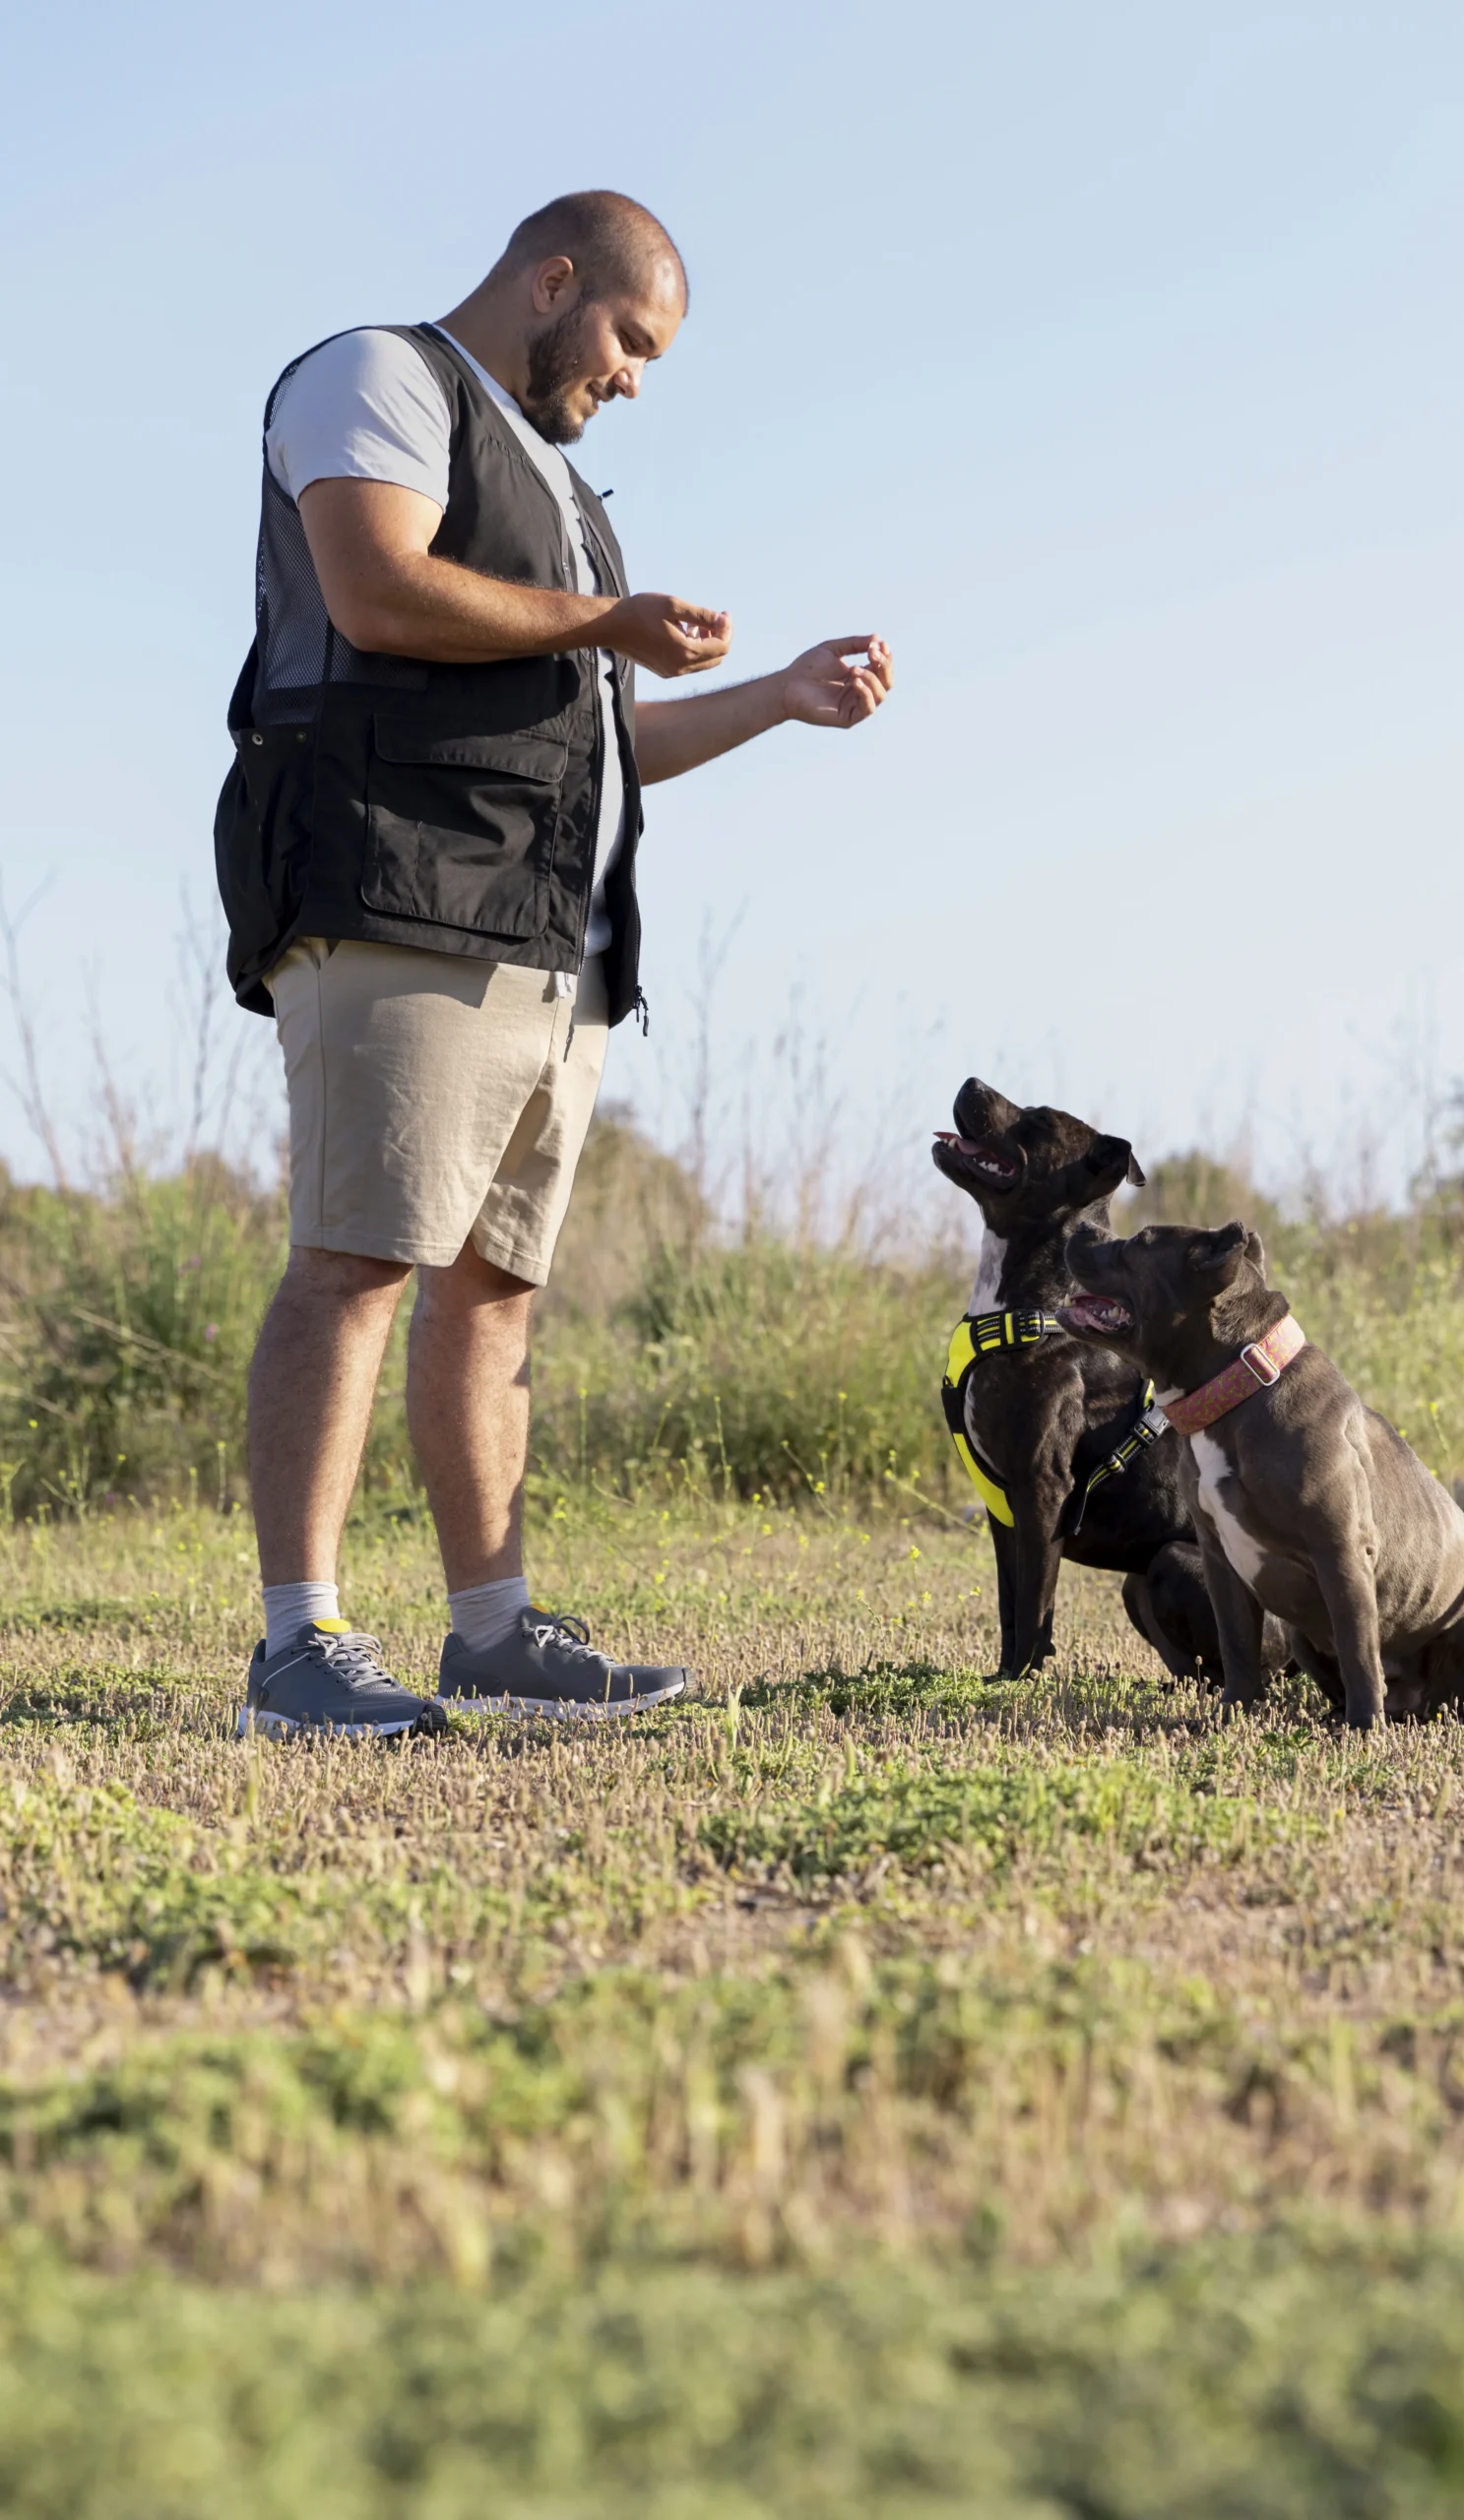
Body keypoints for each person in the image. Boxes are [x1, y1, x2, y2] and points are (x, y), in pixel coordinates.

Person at [215, 189, 893, 1740]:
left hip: (547, 942)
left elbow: (606, 735)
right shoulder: (378, 375)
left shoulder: (565, 493)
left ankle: (495, 1636)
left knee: (493, 1290)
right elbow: (376, 586)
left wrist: (778, 697)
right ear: (554, 279)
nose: (633, 377)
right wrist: (608, 616)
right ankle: (296, 1651)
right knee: (355, 1261)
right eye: (629, 339)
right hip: (398, 892)